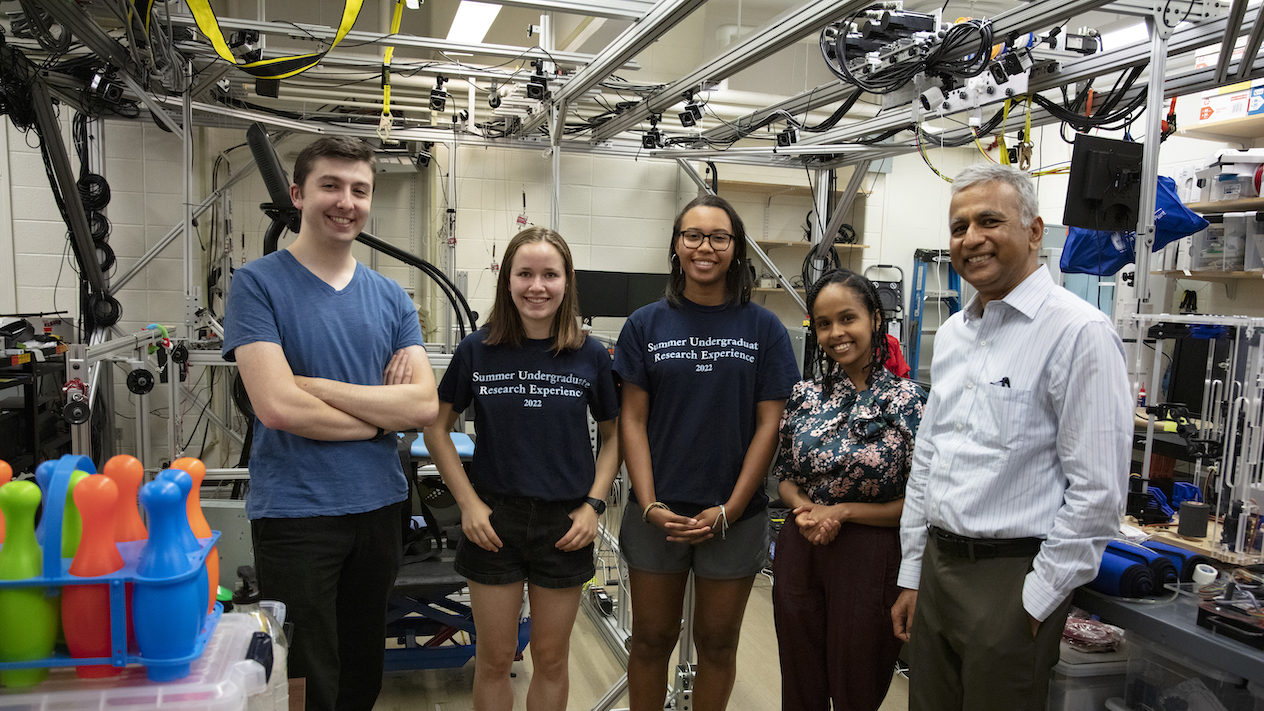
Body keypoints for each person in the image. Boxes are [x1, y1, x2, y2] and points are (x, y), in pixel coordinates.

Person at [889, 163, 1132, 711]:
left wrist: (1037, 599)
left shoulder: (1078, 333)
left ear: (1035, 231)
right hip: (938, 568)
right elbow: (928, 458)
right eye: (959, 227)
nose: (971, 239)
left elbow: (1098, 493)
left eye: (989, 221)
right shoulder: (954, 334)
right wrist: (912, 574)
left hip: (1012, 577)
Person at [223, 136, 439, 711]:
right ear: (297, 194)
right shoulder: (257, 284)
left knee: (362, 670)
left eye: (359, 190)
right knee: (307, 675)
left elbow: (421, 407)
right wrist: (376, 422)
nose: (346, 201)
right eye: (331, 186)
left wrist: (310, 384)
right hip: (296, 513)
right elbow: (276, 408)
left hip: (378, 508)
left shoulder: (392, 297)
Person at [614, 194, 800, 711]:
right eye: (692, 236)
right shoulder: (645, 325)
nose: (705, 247)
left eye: (719, 238)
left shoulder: (764, 329)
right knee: (651, 639)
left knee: (718, 643)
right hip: (658, 514)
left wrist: (733, 508)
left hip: (733, 518)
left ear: (736, 250)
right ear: (675, 246)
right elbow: (632, 418)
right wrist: (649, 504)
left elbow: (770, 423)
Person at [424, 227, 620, 711]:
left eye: (550, 274)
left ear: (567, 281)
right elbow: (436, 429)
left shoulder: (590, 354)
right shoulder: (478, 350)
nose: (538, 286)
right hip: (495, 522)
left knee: (552, 660)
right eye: (525, 274)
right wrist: (468, 505)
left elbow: (615, 436)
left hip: (565, 524)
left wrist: (594, 505)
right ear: (507, 281)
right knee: (494, 658)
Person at [772, 269, 925, 711]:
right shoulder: (804, 396)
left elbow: (921, 501)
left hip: (871, 556)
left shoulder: (908, 402)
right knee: (800, 683)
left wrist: (841, 513)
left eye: (847, 318)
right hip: (802, 546)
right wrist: (805, 510)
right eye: (823, 324)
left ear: (875, 319)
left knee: (858, 681)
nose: (836, 333)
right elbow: (785, 476)